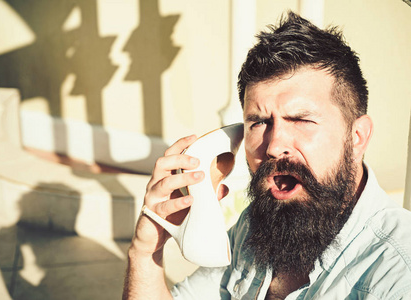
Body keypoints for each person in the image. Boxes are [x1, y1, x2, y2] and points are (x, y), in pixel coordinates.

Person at [123, 11, 411, 299]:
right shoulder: (252, 228)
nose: (273, 146)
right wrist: (145, 251)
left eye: (300, 119)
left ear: (357, 137)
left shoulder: (397, 271)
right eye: (259, 122)